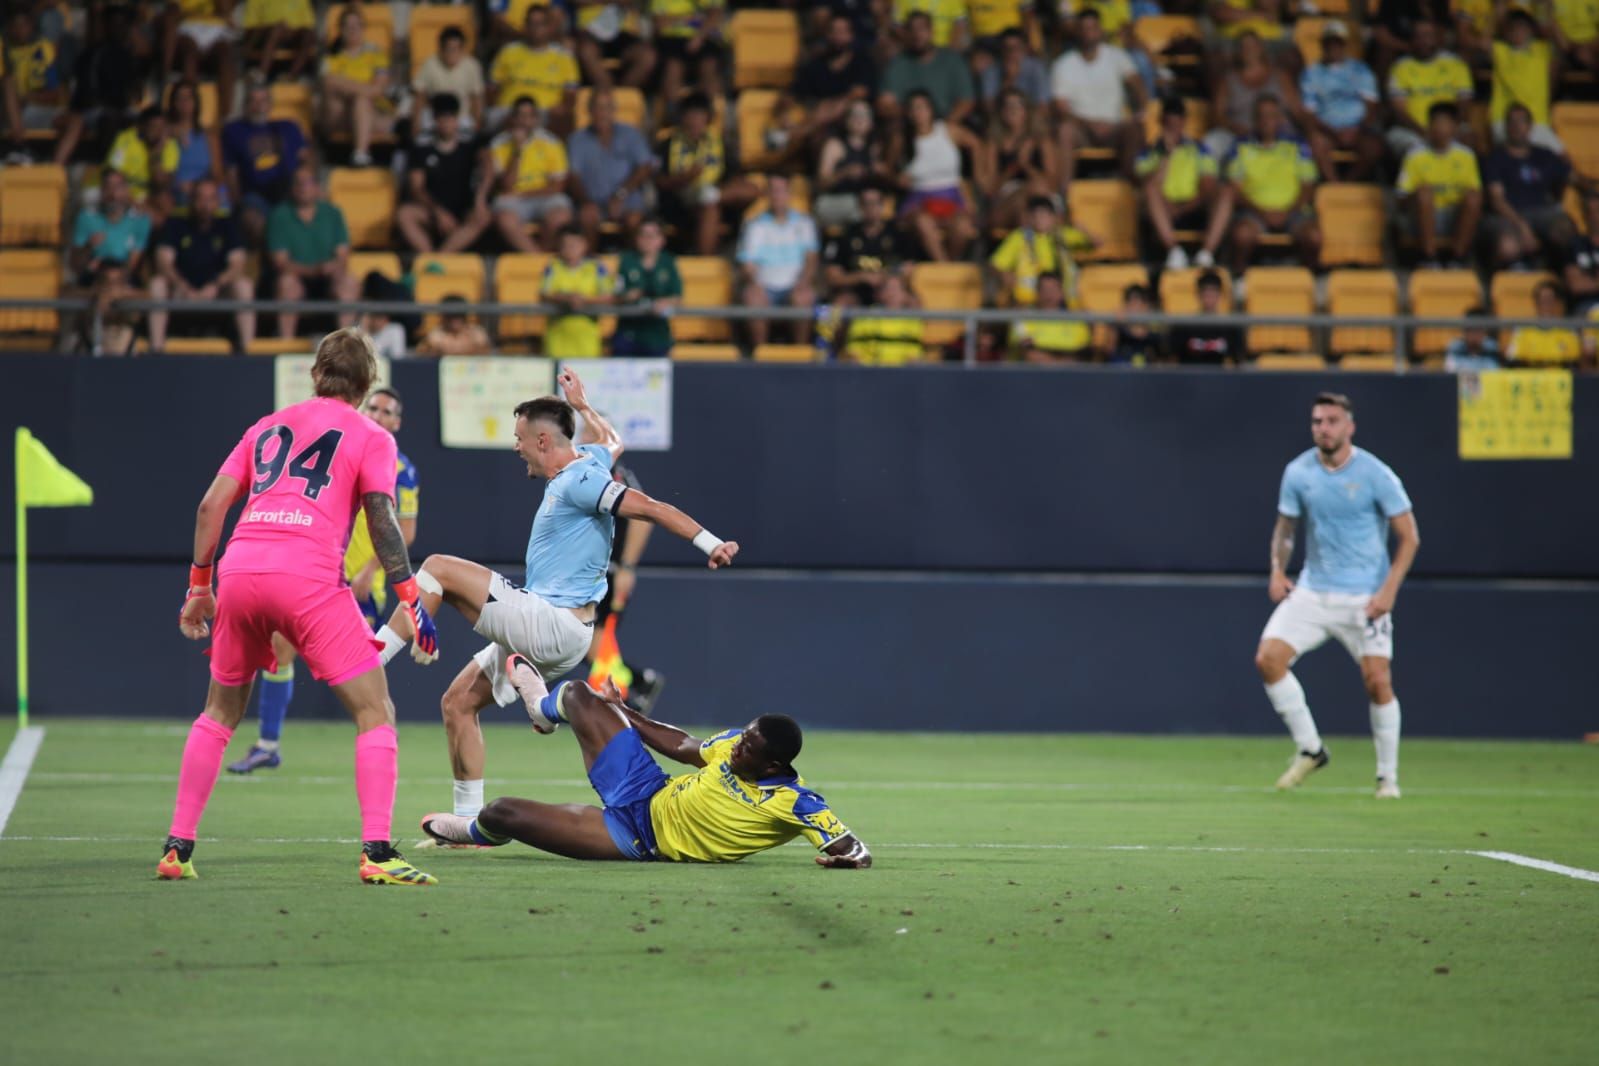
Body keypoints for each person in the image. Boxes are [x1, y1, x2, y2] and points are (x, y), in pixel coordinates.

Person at [370, 367, 740, 823]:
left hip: (551, 621)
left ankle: (373, 658)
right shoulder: (590, 459)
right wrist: (583, 405)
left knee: (437, 568)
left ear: (543, 442)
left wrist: (711, 543)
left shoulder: (579, 481)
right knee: (458, 702)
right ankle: (468, 819)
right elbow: (614, 441)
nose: (516, 446)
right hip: (561, 629)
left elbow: (652, 508)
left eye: (520, 437)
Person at [159, 328, 439, 885]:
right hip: (307, 576)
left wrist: (198, 588)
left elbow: (211, 505)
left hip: (240, 570)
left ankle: (176, 848)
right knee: (374, 712)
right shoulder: (371, 436)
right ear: (365, 386)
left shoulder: (266, 426)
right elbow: (383, 521)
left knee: (218, 714)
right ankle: (379, 853)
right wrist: (410, 594)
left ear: (316, 374)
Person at [418, 681, 871, 870]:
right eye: (743, 737)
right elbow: (682, 746)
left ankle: (475, 832)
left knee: (501, 812)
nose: (737, 747)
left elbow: (854, 848)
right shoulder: (734, 747)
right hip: (645, 786)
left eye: (748, 747)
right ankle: (541, 709)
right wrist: (623, 710)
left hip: (633, 836)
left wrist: (847, 859)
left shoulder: (796, 801)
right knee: (579, 694)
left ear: (773, 765)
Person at [229, 384, 420, 774]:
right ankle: (268, 744)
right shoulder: (341, 449)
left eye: (388, 412)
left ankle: (379, 740)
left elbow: (406, 530)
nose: (379, 416)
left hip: (363, 586)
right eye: (375, 408)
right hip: (316, 575)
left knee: (362, 671)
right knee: (279, 649)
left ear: (397, 422)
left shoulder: (402, 469)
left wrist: (370, 571)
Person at [1258, 392, 1419, 800]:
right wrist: (1278, 570)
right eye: (1317, 421)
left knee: (1377, 681)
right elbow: (1286, 529)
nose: (1323, 428)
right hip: (1313, 590)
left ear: (1350, 426)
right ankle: (1311, 749)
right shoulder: (1298, 472)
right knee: (1268, 659)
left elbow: (1409, 537)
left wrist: (1388, 591)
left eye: (1331, 421)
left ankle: (1388, 778)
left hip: (1365, 598)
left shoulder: (1375, 474)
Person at [583, 459, 665, 712]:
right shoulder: (585, 470)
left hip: (606, 573)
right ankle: (636, 684)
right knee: (585, 643)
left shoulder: (611, 473)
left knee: (590, 641)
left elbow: (644, 518)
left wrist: (627, 567)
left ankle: (625, 700)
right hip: (589, 573)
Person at [148, 177, 255, 352]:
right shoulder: (176, 224)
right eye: (200, 198)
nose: (205, 204)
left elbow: (237, 265)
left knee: (244, 285)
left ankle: (248, 350)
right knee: (157, 284)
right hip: (180, 292)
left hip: (217, 293)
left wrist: (214, 285)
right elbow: (163, 262)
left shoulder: (228, 226)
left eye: (211, 198)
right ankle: (156, 349)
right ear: (192, 200)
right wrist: (182, 286)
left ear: (218, 202)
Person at [1220, 95, 1322, 274]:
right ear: (1254, 119)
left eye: (1271, 115)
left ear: (1279, 119)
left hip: (1293, 211)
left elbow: (1308, 186)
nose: (1266, 121)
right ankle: (1239, 279)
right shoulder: (1240, 147)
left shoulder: (1297, 146)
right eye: (1261, 115)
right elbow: (1235, 190)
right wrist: (1262, 212)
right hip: (1254, 212)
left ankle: (1311, 279)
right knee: (1241, 236)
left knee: (1314, 237)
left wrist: (1288, 211)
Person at [1049, 8, 1144, 183]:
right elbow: (1060, 108)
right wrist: (1090, 124)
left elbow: (1136, 83)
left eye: (1092, 28)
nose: (1088, 33)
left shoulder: (1117, 56)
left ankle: (1129, 189)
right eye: (1084, 28)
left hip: (1115, 127)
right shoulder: (1063, 64)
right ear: (1077, 32)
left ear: (1100, 30)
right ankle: (1063, 194)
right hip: (1082, 129)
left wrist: (1141, 111)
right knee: (1064, 131)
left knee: (1134, 129)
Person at [1136, 96, 1226, 271]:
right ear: (1162, 123)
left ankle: (1206, 254)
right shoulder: (1149, 153)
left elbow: (1207, 185)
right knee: (1149, 190)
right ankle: (1174, 251)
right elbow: (1149, 184)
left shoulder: (1199, 150)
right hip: (1163, 212)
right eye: (1169, 125)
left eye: (1177, 125)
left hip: (1194, 207)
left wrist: (1184, 208)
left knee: (1221, 191)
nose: (1173, 130)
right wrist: (1167, 156)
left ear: (1184, 122)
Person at [267, 166, 358, 338]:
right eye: (298, 183)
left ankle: (346, 344)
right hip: (297, 279)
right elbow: (280, 262)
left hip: (328, 281)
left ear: (317, 187)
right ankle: (286, 344)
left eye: (307, 183)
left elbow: (342, 256)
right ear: (291, 188)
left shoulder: (333, 213)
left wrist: (332, 267)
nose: (303, 188)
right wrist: (313, 270)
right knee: (287, 284)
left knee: (348, 282)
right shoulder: (279, 216)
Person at [396, 94, 492, 254]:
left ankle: (441, 258)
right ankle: (427, 256)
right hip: (432, 209)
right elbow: (416, 187)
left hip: (463, 209)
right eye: (442, 118)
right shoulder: (421, 146)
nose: (446, 123)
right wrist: (438, 212)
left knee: (483, 217)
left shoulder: (470, 143)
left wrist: (480, 198)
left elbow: (488, 168)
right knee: (404, 215)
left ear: (457, 120)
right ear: (434, 120)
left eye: (450, 118)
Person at [1482, 103, 1572, 271]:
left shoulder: (1544, 154)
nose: (1516, 126)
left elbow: (1570, 177)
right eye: (1512, 122)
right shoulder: (1495, 158)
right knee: (1508, 247)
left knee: (1566, 232)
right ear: (1506, 127)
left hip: (1542, 211)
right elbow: (1497, 200)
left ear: (1530, 127)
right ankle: (1512, 279)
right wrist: (1522, 226)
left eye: (1521, 121)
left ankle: (1562, 276)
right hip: (1508, 214)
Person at [737, 174, 820, 348]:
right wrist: (754, 283)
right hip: (765, 286)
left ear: (789, 194)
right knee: (753, 298)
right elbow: (748, 264)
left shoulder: (804, 223)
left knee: (803, 297)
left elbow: (811, 260)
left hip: (795, 285)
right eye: (773, 191)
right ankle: (761, 355)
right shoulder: (754, 225)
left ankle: (801, 352)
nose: (777, 196)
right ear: (767, 195)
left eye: (781, 191)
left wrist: (803, 283)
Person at [1396, 101, 1482, 269]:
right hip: (1422, 216)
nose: (1440, 128)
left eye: (1445, 123)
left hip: (1453, 216)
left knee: (1474, 197)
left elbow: (1474, 193)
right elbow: (1401, 198)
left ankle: (1458, 258)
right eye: (1436, 122)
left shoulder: (1466, 156)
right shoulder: (1415, 155)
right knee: (1424, 192)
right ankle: (1429, 257)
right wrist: (1422, 198)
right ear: (1429, 126)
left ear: (1455, 128)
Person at [897, 90, 980, 262]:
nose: (918, 113)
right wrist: (897, 178)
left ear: (931, 109)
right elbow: (888, 169)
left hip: (951, 194)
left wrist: (978, 176)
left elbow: (976, 144)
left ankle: (947, 265)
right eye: (914, 108)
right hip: (919, 199)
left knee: (963, 227)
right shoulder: (902, 139)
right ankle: (945, 268)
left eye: (922, 107)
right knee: (923, 223)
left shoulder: (947, 131)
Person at [568, 87, 655, 247]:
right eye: (598, 107)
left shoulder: (631, 134)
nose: (603, 112)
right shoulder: (577, 139)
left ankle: (631, 267)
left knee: (634, 221)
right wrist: (587, 202)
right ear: (589, 110)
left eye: (607, 107)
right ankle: (590, 265)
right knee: (587, 216)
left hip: (627, 199)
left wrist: (620, 194)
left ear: (614, 110)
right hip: (592, 200)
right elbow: (573, 176)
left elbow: (645, 166)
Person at [1296, 22, 1383, 182]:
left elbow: (1371, 106)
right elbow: (1309, 112)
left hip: (1357, 130)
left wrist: (1356, 129)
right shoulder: (1311, 73)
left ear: (1344, 45)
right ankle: (1334, 183)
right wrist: (1332, 131)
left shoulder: (1361, 69)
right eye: (1329, 43)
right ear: (1323, 45)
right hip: (1327, 130)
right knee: (1316, 143)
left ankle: (1348, 182)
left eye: (1337, 43)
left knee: (1374, 148)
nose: (1333, 48)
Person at [223, 82, 308, 245]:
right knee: (254, 222)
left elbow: (306, 158)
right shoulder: (234, 131)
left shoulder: (288, 127)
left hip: (288, 191)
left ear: (270, 104)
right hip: (254, 194)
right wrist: (237, 203)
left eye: (263, 100)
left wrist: (306, 186)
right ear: (245, 105)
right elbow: (230, 171)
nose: (258, 106)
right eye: (253, 101)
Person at [490, 95, 574, 253]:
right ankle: (538, 260)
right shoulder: (499, 144)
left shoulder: (551, 142)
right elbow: (506, 186)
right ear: (513, 119)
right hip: (513, 200)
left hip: (541, 195)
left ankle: (540, 255)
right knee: (505, 220)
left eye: (530, 116)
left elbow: (558, 186)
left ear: (536, 119)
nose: (525, 121)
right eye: (520, 116)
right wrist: (518, 150)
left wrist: (525, 193)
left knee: (561, 216)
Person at [1205, 31, 1299, 166]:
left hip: (1277, 133)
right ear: (1237, 52)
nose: (1248, 50)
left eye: (1252, 45)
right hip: (1239, 134)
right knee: (1213, 141)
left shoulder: (1280, 76)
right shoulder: (1228, 81)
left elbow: (1298, 110)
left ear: (1261, 48)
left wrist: (1310, 129)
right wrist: (1234, 127)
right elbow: (1216, 115)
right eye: (1243, 46)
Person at [654, 92, 732, 255]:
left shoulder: (720, 141)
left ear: (707, 119)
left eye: (700, 116)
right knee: (710, 210)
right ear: (682, 119)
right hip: (680, 201)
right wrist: (685, 178)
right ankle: (705, 265)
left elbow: (735, 175)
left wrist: (716, 192)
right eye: (691, 116)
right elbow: (659, 181)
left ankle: (711, 195)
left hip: (717, 195)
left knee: (752, 188)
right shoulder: (668, 144)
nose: (695, 121)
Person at [1385, 20, 1474, 158]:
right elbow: (1399, 112)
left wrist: (1448, 131)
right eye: (1418, 36)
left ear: (1438, 38)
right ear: (1412, 40)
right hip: (1412, 131)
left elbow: (1464, 105)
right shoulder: (1401, 67)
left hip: (1451, 129)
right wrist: (1425, 133)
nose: (1423, 41)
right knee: (1415, 149)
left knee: (1469, 141)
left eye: (1428, 35)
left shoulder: (1456, 64)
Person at [988, 195, 1093, 309]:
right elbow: (996, 264)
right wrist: (1006, 276)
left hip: (1067, 306)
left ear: (1054, 217)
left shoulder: (1063, 235)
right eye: (1036, 216)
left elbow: (1097, 244)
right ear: (1029, 218)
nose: (1040, 220)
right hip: (1028, 305)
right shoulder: (1019, 238)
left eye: (1044, 216)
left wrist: (1084, 229)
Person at [320, 5, 393, 167]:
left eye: (357, 25)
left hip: (372, 112)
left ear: (363, 27)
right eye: (347, 26)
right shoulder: (331, 58)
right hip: (339, 116)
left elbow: (379, 89)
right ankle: (360, 152)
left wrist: (346, 87)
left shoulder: (376, 54)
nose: (352, 30)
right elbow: (328, 83)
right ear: (340, 29)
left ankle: (360, 154)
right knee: (334, 87)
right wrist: (366, 89)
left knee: (360, 100)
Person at [489, 6, 578, 133]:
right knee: (493, 117)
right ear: (525, 26)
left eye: (540, 24)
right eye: (531, 23)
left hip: (544, 112)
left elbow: (570, 96)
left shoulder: (563, 57)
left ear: (548, 27)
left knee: (563, 119)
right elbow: (492, 89)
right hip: (509, 111)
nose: (536, 28)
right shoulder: (508, 51)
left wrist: (560, 108)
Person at [981, 88, 1058, 232]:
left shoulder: (1042, 140)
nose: (1012, 110)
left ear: (1027, 110)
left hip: (1040, 200)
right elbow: (990, 189)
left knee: (1036, 191)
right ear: (1001, 112)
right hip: (1007, 200)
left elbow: (1052, 184)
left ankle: (1030, 246)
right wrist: (1013, 167)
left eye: (1018, 105)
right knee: (1027, 197)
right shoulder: (994, 142)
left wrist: (1026, 165)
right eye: (1008, 106)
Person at [878, 12, 976, 126]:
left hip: (947, 124)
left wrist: (944, 127)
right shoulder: (898, 63)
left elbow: (967, 101)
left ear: (931, 31)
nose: (917, 34)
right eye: (912, 29)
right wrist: (916, 116)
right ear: (906, 33)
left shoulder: (952, 60)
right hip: (910, 126)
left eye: (922, 28)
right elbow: (884, 104)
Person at [824, 186, 913, 306]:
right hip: (854, 292)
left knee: (911, 301)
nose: (871, 208)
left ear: (883, 205)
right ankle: (821, 326)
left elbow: (908, 269)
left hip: (888, 288)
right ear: (859, 206)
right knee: (829, 310)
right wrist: (861, 277)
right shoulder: (845, 235)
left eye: (875, 203)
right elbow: (832, 278)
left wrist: (886, 278)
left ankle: (899, 325)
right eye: (866, 203)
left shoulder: (898, 234)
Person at [1492, 9, 1562, 154]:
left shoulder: (1543, 50)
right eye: (1513, 28)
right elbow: (1482, 40)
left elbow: (1562, 47)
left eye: (1522, 27)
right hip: (1506, 121)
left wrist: (1549, 12)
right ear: (1507, 32)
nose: (1518, 32)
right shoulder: (1500, 50)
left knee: (1562, 159)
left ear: (1531, 30)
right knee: (1515, 155)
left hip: (1538, 121)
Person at [814, 99, 889, 229]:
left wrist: (881, 172)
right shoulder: (834, 146)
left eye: (864, 115)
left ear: (871, 122)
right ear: (846, 120)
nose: (859, 119)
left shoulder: (875, 148)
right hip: (834, 201)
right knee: (865, 207)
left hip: (863, 201)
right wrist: (844, 173)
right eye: (855, 115)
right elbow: (820, 184)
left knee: (874, 204)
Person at [163, 1, 236, 131]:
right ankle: (188, 115)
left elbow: (225, 10)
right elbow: (173, 11)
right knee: (190, 55)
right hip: (189, 27)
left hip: (215, 28)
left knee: (226, 57)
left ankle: (226, 118)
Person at [613, 218, 682, 357]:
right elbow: (617, 293)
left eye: (652, 236)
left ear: (661, 240)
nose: (647, 240)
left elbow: (677, 295)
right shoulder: (627, 261)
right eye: (643, 235)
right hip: (629, 333)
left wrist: (665, 303)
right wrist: (628, 296)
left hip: (657, 335)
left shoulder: (668, 262)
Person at [542, 225, 613, 358]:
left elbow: (608, 296)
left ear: (584, 245)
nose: (570, 249)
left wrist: (584, 300)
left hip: (587, 342)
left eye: (574, 244)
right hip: (557, 343)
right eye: (565, 245)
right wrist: (566, 299)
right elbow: (544, 294)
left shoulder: (596, 268)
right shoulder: (553, 266)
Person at [412, 25, 485, 139]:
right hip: (435, 118)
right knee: (420, 139)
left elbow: (476, 98)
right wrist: (416, 122)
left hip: (461, 118)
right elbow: (420, 95)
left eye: (456, 49)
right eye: (448, 49)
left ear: (462, 49)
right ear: (441, 49)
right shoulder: (430, 64)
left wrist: (477, 122)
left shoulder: (472, 66)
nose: (452, 54)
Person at [107, 106, 179, 220]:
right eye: (154, 126)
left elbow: (160, 182)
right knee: (156, 220)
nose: (158, 132)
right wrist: (134, 202)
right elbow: (112, 176)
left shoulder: (170, 145)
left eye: (162, 127)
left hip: (147, 194)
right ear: (142, 127)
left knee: (165, 201)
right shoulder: (126, 139)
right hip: (122, 192)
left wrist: (156, 152)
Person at [652, 0, 728, 109]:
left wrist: (698, 37)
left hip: (706, 40)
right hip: (672, 41)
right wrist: (693, 19)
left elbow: (715, 15)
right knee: (673, 68)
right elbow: (660, 24)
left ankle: (707, 111)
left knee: (709, 66)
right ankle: (673, 112)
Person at [844, 273, 925, 364]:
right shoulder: (864, 316)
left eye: (897, 289)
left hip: (900, 374)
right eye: (888, 289)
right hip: (869, 372)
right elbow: (854, 352)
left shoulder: (911, 321)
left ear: (905, 295)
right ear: (880, 294)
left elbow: (913, 356)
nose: (892, 294)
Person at [1169, 268, 1246, 364]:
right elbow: (1173, 360)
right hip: (1191, 376)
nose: (1209, 298)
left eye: (1213, 293)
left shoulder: (1230, 328)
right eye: (1206, 294)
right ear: (1198, 295)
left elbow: (1238, 363)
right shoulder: (1184, 326)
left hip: (1219, 377)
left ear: (1220, 295)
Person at [1009, 272, 1089, 362]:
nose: (1049, 294)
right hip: (1031, 374)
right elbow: (1029, 353)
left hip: (1069, 374)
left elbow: (1080, 355)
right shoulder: (1024, 318)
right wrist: (1058, 365)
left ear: (1062, 293)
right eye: (1044, 289)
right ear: (1037, 293)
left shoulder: (1076, 320)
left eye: (1053, 289)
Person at [1506, 281, 1583, 366]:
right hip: (1531, 376)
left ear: (1557, 302)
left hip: (1560, 376)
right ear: (1536, 303)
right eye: (1541, 301)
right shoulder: (1523, 329)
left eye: (1549, 300)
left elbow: (1575, 361)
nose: (1545, 305)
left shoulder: (1568, 330)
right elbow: (1513, 359)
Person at [242, 0, 316, 82]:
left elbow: (308, 24)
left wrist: (291, 31)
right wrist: (273, 27)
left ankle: (291, 76)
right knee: (278, 29)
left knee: (309, 35)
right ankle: (262, 73)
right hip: (264, 36)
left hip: (293, 37)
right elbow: (250, 28)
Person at [417, 295, 494, 355]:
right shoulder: (436, 334)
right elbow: (422, 354)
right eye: (450, 315)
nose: (455, 319)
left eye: (459, 315)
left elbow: (486, 352)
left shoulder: (477, 333)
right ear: (443, 315)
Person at [1110, 282, 1164, 365]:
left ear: (1146, 305)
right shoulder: (1118, 330)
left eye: (1139, 302)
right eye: (1131, 302)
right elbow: (1108, 350)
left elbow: (1163, 363)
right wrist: (1117, 325)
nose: (1135, 308)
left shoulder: (1155, 336)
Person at [1562, 192, 1599, 313]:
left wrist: (1591, 281)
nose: (1596, 216)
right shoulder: (1575, 245)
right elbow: (1576, 286)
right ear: (1585, 215)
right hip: (1586, 306)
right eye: (1592, 212)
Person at [1442, 307, 1503, 371]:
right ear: (1464, 330)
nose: (1474, 334)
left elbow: (1494, 372)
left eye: (1479, 329)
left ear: (1485, 331)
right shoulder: (1455, 347)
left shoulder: (1491, 347)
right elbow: (1451, 372)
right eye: (1471, 329)